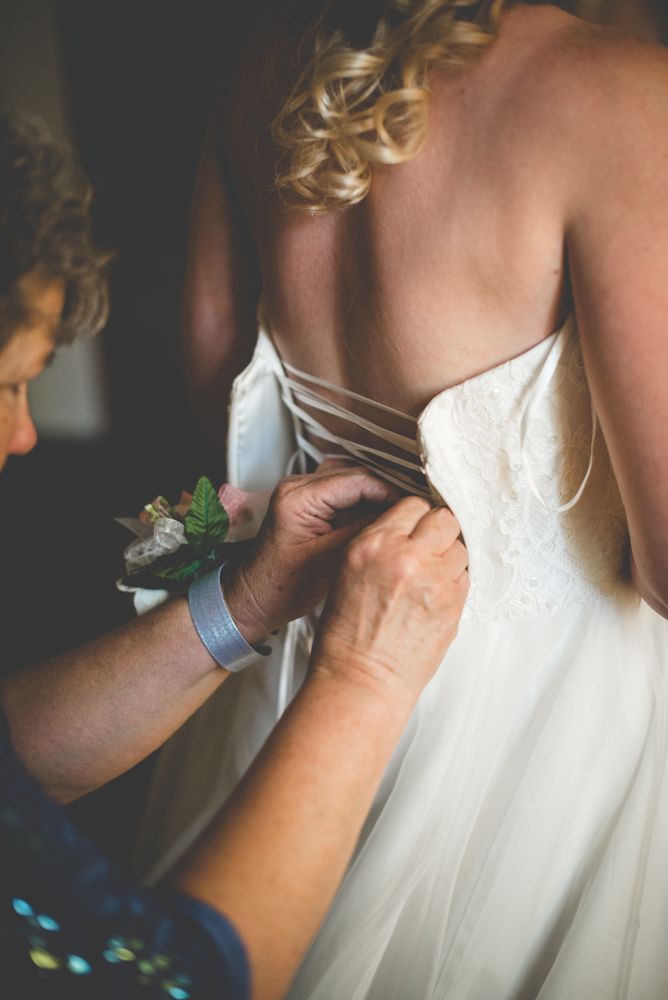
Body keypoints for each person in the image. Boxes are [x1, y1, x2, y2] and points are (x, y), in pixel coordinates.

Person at [136, 0, 668, 997]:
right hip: (537, 746)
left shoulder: (263, 57)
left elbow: (216, 387)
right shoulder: (619, 96)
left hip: (285, 663)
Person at [0, 109, 470, 999]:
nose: (23, 435)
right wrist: (363, 676)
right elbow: (161, 981)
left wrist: (245, 602)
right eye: (7, 382)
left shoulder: (253, 88)